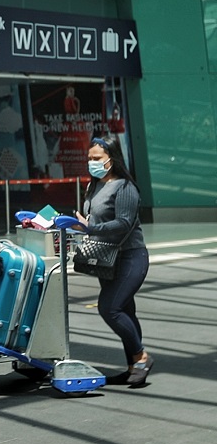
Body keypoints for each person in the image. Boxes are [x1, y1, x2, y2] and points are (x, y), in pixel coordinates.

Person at [75, 134, 153, 387]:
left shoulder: (125, 187)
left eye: (97, 158)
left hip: (131, 256)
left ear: (112, 159)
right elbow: (94, 219)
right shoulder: (94, 185)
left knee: (110, 308)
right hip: (107, 257)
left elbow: (124, 223)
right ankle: (133, 367)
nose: (92, 162)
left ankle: (142, 356)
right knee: (125, 310)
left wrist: (90, 228)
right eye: (89, 158)